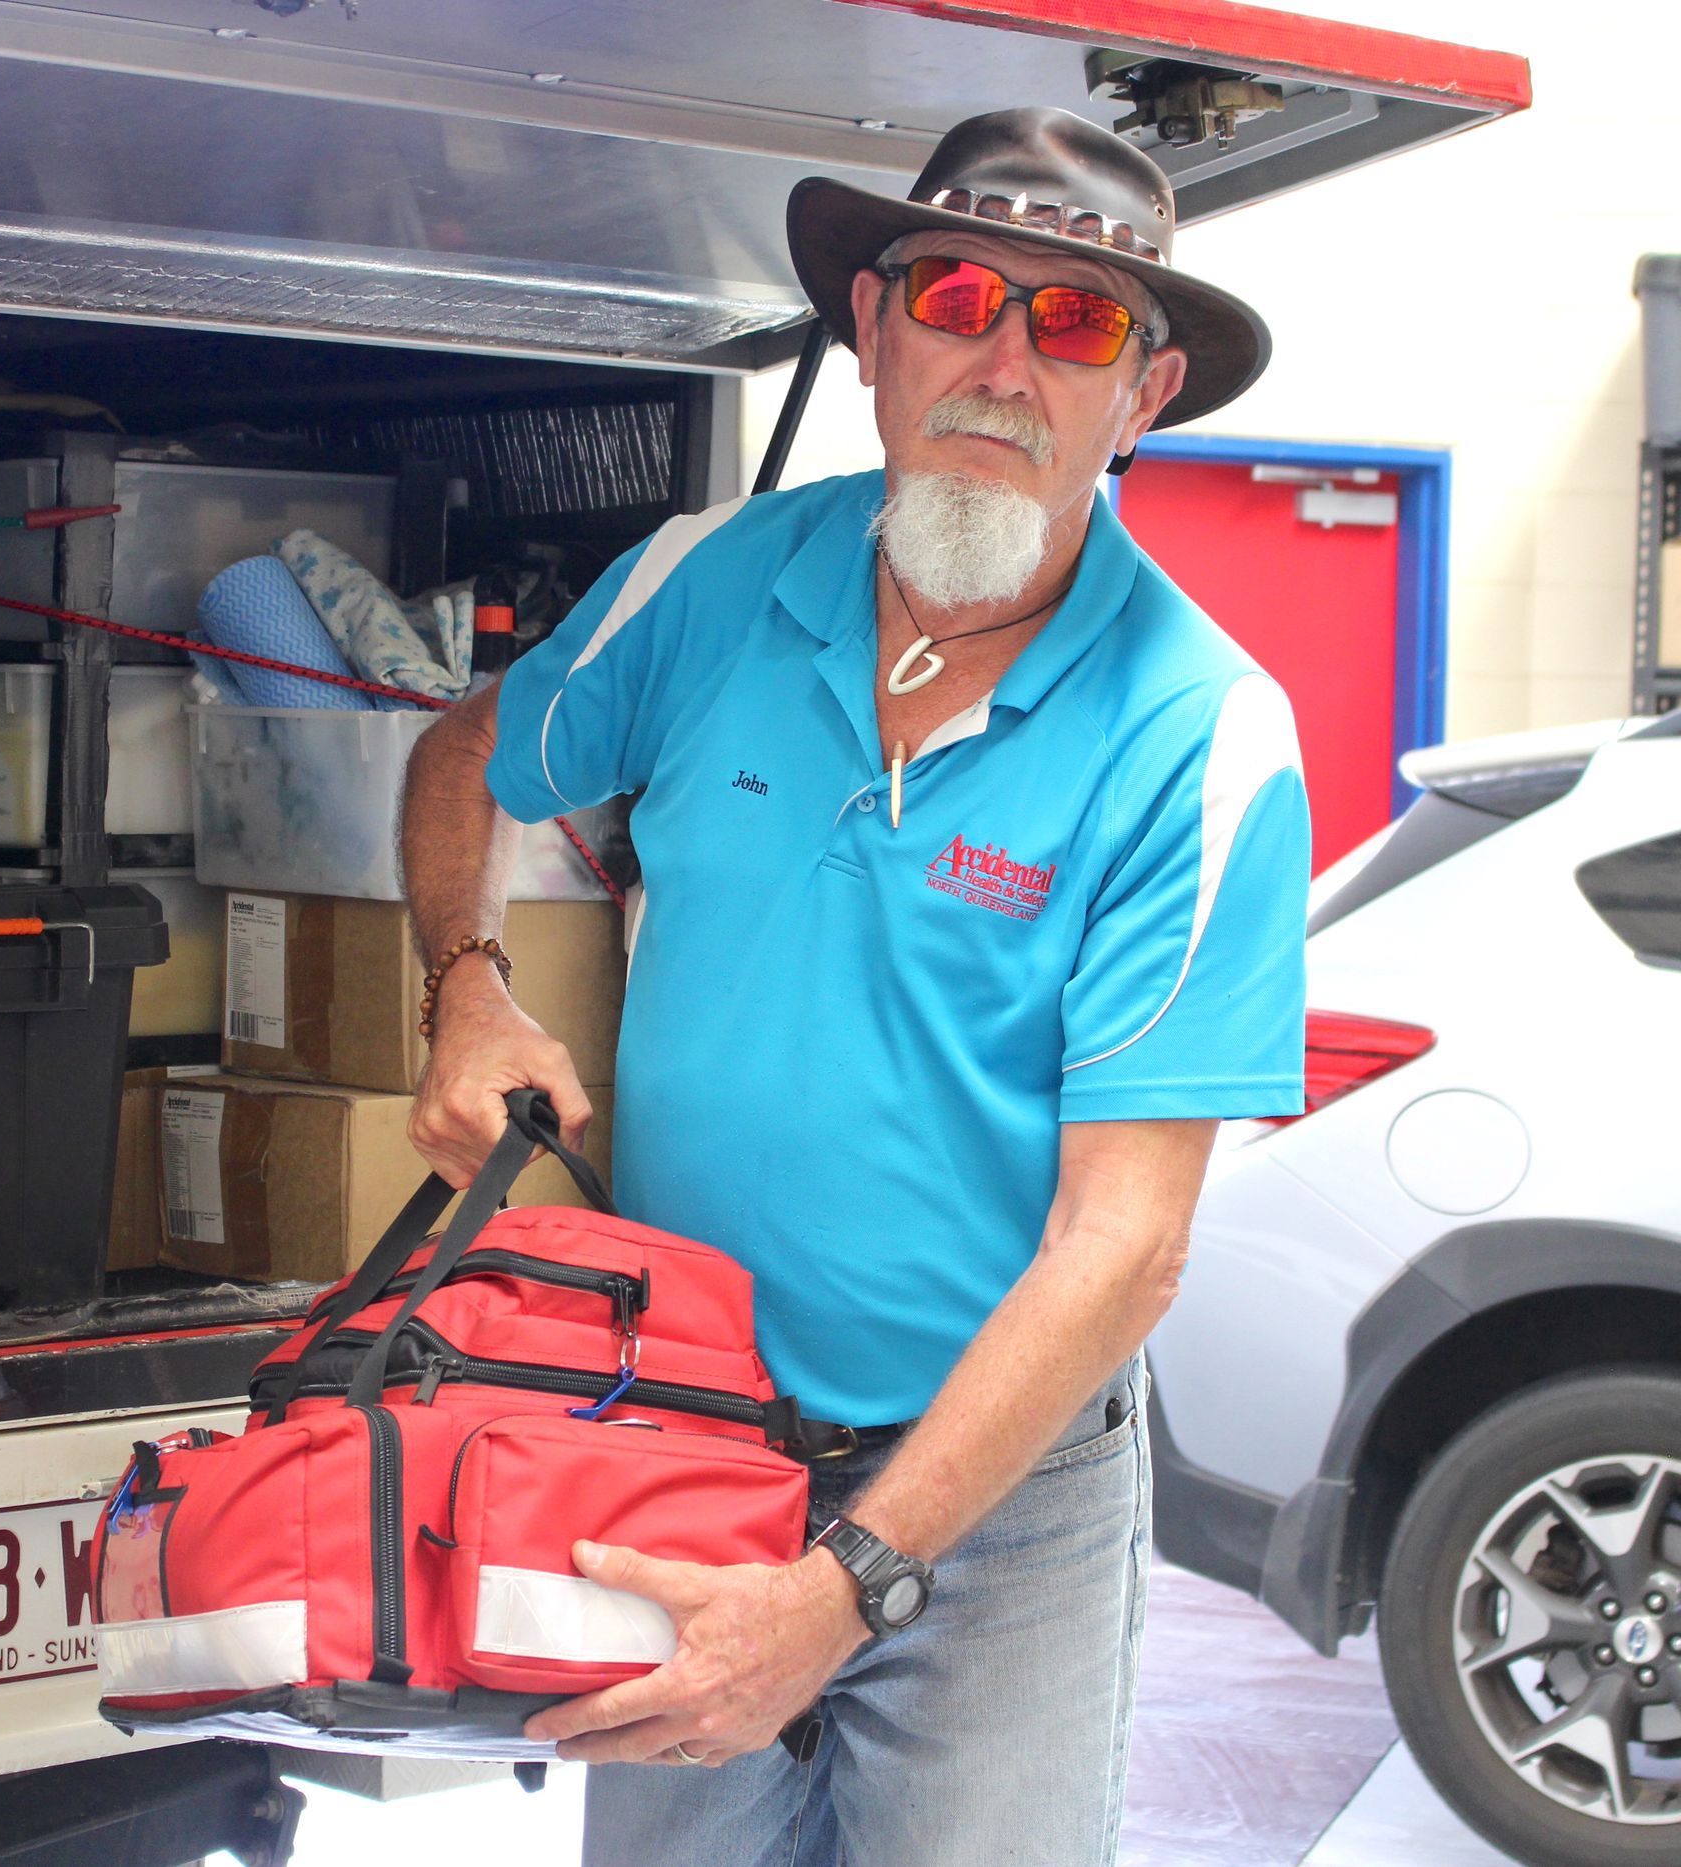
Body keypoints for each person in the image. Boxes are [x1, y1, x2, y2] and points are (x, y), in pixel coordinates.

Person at [400, 106, 1309, 1866]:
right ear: (874, 334)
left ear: (1145, 395)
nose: (1005, 359)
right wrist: (469, 980)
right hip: (674, 1439)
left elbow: (1125, 1247)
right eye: (959, 293)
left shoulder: (1203, 739)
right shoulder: (707, 579)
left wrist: (853, 1580)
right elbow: (468, 752)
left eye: (1080, 324)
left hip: (998, 1510)